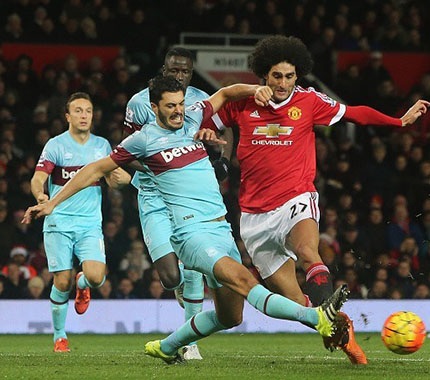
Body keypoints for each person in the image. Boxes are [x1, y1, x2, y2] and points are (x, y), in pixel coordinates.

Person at [23, 76, 349, 364]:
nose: (178, 111)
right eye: (170, 106)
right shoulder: (143, 140)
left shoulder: (192, 119)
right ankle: (318, 316)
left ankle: (167, 346)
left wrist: (257, 89)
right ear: (154, 108)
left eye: (180, 104)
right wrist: (52, 202)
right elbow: (94, 170)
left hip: (220, 228)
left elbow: (224, 93)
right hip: (190, 234)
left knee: (230, 316)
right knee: (245, 281)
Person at [203, 35, 430, 365]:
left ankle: (334, 316)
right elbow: (207, 117)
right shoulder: (243, 103)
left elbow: (355, 113)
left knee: (308, 251)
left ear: (298, 76)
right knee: (295, 304)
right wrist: (208, 132)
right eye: (277, 75)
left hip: (296, 197)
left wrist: (398, 121)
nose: (283, 83)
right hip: (253, 216)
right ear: (264, 74)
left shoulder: (309, 101)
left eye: (290, 76)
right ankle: (339, 326)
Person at [123, 47, 234, 360]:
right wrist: (159, 168)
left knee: (195, 264)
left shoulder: (199, 101)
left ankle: (189, 343)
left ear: (191, 73)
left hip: (189, 195)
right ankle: (182, 288)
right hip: (153, 193)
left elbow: (227, 129)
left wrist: (223, 162)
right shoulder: (139, 102)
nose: (179, 76)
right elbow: (127, 151)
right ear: (164, 69)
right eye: (174, 70)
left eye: (185, 71)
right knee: (173, 277)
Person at [29, 92, 130, 352]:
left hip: (89, 224)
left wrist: (120, 180)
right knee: (62, 282)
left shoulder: (102, 146)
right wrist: (41, 195)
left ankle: (82, 284)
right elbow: (38, 177)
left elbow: (111, 179)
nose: (84, 115)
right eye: (78, 110)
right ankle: (60, 336)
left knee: (97, 278)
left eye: (87, 110)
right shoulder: (56, 145)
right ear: (67, 116)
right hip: (59, 223)